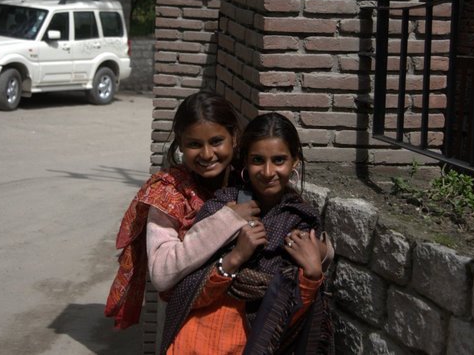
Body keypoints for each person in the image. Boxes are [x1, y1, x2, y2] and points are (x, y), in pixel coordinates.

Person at [161, 112, 334, 354]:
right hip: (196, 344)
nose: (267, 171)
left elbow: (291, 316)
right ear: (245, 161)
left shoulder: (302, 222)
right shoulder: (221, 209)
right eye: (257, 160)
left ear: (295, 161)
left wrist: (313, 274)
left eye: (279, 160)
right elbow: (184, 294)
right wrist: (235, 257)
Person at [105, 91, 261, 329]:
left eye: (216, 141)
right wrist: (227, 221)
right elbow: (161, 273)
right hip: (189, 322)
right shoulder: (168, 193)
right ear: (180, 144)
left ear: (234, 137)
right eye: (194, 144)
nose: (207, 154)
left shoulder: (253, 179)